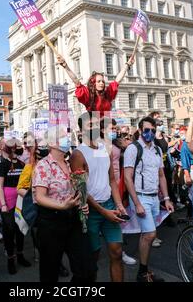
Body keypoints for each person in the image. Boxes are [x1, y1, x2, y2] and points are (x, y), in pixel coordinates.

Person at [70, 112, 127, 282]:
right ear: (81, 130)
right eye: (90, 125)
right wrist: (102, 211)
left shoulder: (106, 149)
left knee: (116, 252)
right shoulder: (77, 155)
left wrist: (118, 204)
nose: (94, 128)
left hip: (109, 206)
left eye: (96, 124)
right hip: (91, 212)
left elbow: (111, 180)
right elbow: (82, 190)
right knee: (92, 259)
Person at [32, 126, 94, 282]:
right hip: (51, 222)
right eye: (62, 136)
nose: (67, 138)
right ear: (52, 143)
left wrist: (82, 203)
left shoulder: (69, 163)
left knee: (86, 268)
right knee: (50, 271)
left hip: (73, 219)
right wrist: (62, 206)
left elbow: (73, 191)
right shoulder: (43, 165)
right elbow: (40, 197)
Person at [123, 117, 174, 282]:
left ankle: (145, 271)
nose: (150, 133)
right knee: (150, 235)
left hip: (154, 197)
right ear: (139, 130)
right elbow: (127, 178)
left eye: (153, 130)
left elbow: (161, 176)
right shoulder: (133, 148)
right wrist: (136, 203)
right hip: (140, 197)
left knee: (147, 235)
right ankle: (142, 273)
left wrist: (166, 198)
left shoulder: (157, 150)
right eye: (146, 130)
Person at [100, 117, 137, 266]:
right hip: (107, 185)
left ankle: (118, 250)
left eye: (115, 128)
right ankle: (117, 251)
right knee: (113, 217)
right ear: (102, 130)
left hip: (118, 182)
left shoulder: (114, 143)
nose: (114, 131)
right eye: (111, 128)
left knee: (117, 215)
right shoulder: (99, 145)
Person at [57, 54, 134, 115]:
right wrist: (65, 66)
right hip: (93, 127)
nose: (102, 83)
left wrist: (127, 65)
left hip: (106, 126)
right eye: (99, 81)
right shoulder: (88, 95)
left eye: (103, 81)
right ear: (93, 83)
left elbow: (117, 80)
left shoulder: (107, 94)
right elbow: (76, 80)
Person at [0, 138, 31, 274]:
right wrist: (3, 204)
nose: (14, 150)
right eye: (11, 148)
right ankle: (11, 259)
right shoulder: (3, 164)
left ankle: (21, 255)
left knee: (20, 229)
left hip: (20, 200)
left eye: (16, 148)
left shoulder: (22, 164)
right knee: (9, 231)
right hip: (7, 202)